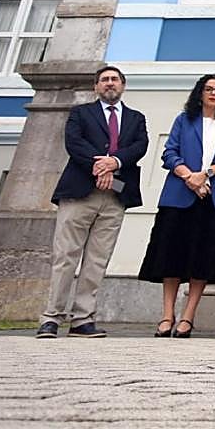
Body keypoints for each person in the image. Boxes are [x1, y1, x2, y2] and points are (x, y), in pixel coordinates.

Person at [37, 65, 149, 339]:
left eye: (114, 79)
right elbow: (74, 143)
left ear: (123, 85)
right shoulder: (80, 113)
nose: (110, 83)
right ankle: (51, 318)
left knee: (97, 260)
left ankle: (82, 320)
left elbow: (140, 146)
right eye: (104, 80)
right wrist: (100, 166)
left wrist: (115, 162)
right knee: (66, 256)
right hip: (80, 193)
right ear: (96, 87)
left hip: (115, 196)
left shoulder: (136, 118)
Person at [137, 74, 215, 338]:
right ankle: (167, 315)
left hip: (213, 198)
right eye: (208, 89)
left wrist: (205, 175)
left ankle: (188, 316)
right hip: (179, 197)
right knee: (171, 256)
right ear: (200, 93)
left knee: (202, 259)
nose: (213, 93)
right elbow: (169, 152)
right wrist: (189, 177)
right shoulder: (184, 120)